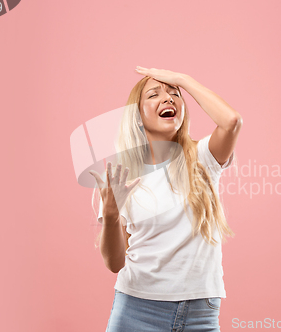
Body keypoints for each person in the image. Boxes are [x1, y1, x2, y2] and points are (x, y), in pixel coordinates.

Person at [89, 66, 243, 332]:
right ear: (137, 116)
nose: (169, 98)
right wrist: (112, 217)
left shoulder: (203, 157)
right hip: (137, 310)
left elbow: (231, 121)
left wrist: (182, 79)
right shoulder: (121, 176)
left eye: (174, 94)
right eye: (154, 95)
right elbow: (115, 263)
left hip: (201, 313)